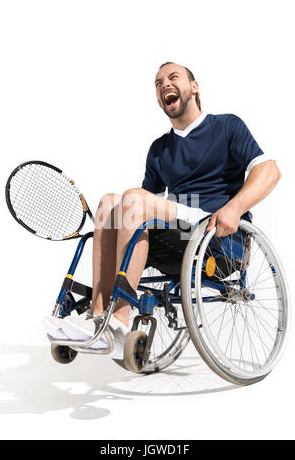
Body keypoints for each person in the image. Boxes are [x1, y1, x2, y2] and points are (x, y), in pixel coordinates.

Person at [43, 61, 281, 358]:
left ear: (193, 87)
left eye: (173, 77)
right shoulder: (159, 148)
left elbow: (270, 171)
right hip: (177, 236)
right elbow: (142, 209)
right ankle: (98, 317)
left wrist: (234, 208)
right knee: (108, 203)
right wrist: (113, 223)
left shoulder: (226, 125)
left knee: (131, 198)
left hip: (214, 236)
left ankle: (119, 322)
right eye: (158, 83)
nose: (164, 85)